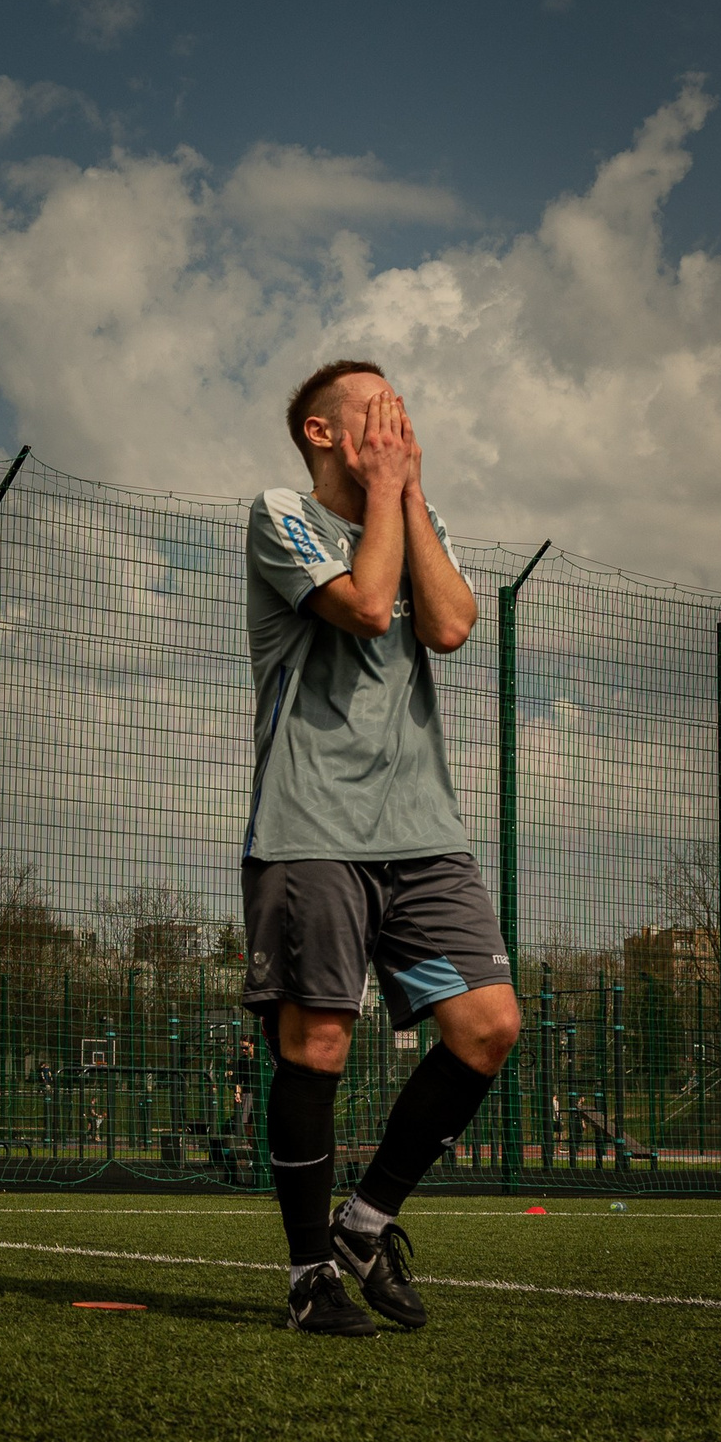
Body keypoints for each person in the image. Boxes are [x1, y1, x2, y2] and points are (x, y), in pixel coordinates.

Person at [243, 360, 522, 1337]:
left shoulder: (415, 514)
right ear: (322, 432)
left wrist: (403, 494)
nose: (398, 423)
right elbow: (367, 606)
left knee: (486, 1025)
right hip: (310, 828)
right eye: (376, 411)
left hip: (423, 836)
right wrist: (389, 500)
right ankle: (308, 1275)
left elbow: (446, 625)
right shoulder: (281, 511)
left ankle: (362, 1226)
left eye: (401, 409)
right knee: (317, 1040)